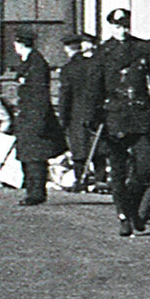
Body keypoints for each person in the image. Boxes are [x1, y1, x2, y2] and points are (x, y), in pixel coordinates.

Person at [90, 7, 150, 237]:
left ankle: (133, 207)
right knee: (117, 171)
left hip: (140, 116)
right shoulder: (103, 52)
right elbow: (94, 88)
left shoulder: (141, 48)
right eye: (118, 26)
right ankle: (123, 215)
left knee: (145, 167)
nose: (122, 30)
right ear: (110, 27)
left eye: (125, 25)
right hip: (114, 117)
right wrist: (92, 118)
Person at [10, 28, 61, 206]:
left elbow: (39, 94)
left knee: (35, 157)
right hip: (27, 116)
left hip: (34, 117)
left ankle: (36, 193)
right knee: (27, 155)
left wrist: (38, 121)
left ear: (19, 44)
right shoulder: (29, 62)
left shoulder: (36, 64)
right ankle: (31, 190)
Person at [58, 32, 101, 192]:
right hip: (95, 112)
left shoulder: (68, 68)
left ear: (68, 49)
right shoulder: (94, 65)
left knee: (79, 151)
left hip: (75, 114)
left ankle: (80, 180)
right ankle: (99, 181)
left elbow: (65, 96)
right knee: (97, 147)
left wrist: (62, 119)